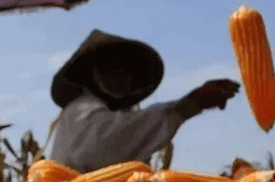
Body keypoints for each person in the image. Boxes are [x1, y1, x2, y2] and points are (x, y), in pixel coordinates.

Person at [48, 29, 241, 173]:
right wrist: (191, 103)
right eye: (112, 64)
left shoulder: (119, 114)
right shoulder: (81, 109)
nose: (121, 72)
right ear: (90, 72)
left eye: (128, 67)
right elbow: (110, 140)